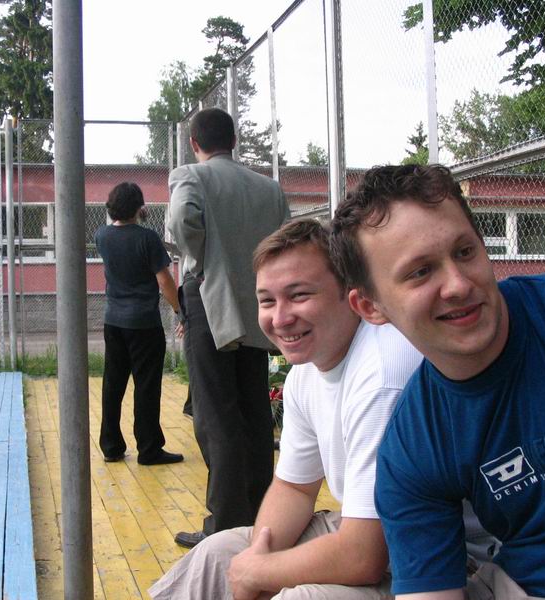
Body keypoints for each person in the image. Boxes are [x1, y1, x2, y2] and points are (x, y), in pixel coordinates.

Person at [329, 164, 545, 599]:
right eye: (421, 272)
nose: (458, 285)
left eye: (465, 252)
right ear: (371, 307)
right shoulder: (413, 443)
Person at [149, 218, 424, 599]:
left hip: (433, 560)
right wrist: (258, 559)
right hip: (365, 534)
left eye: (299, 295)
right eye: (267, 301)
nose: (280, 318)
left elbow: (365, 556)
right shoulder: (307, 372)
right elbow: (294, 488)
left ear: (351, 293)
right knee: (217, 554)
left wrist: (261, 574)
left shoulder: (382, 372)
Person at [167, 107, 290, 548]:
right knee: (254, 412)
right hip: (257, 302)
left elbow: (182, 221)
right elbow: (285, 239)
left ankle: (224, 526)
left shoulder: (191, 176)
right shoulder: (268, 188)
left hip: (209, 298)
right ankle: (260, 517)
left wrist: (201, 259)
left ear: (194, 144)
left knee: (215, 413)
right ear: (234, 141)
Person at [94, 182, 184, 466]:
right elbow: (164, 280)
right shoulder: (147, 238)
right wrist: (179, 310)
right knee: (146, 386)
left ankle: (111, 446)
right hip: (144, 323)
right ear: (139, 207)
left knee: (113, 383)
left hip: (113, 321)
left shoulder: (101, 235)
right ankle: (149, 448)